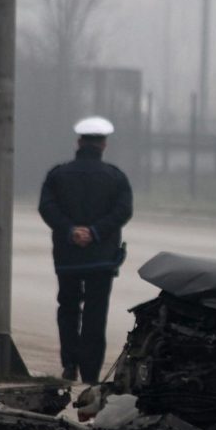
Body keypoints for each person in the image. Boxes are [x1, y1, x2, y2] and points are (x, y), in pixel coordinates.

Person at [39, 116, 133, 384]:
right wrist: (96, 232)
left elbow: (47, 208)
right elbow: (123, 211)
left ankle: (70, 364)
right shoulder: (116, 177)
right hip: (101, 260)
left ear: (79, 142)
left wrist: (71, 231)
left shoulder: (57, 175)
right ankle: (91, 373)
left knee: (67, 308)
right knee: (95, 314)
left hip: (67, 258)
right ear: (103, 145)